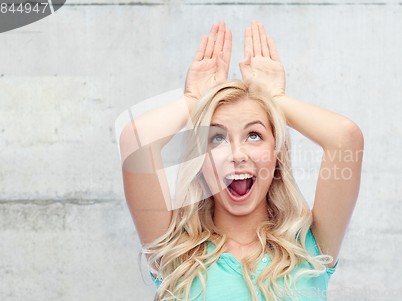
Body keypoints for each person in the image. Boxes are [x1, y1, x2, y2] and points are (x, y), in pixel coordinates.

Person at [119, 20, 364, 301]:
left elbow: (346, 137)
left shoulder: (311, 245)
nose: (237, 155)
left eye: (255, 135)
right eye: (218, 139)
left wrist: (275, 99)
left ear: (276, 154)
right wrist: (194, 99)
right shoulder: (176, 251)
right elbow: (135, 140)